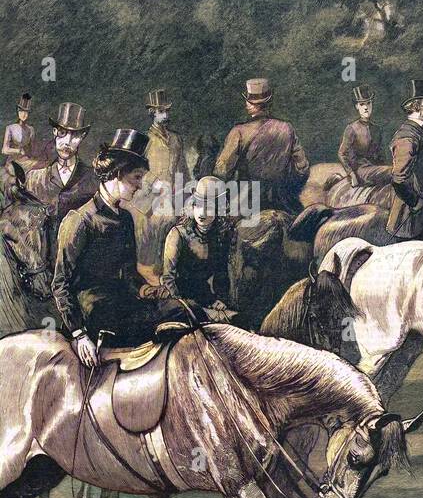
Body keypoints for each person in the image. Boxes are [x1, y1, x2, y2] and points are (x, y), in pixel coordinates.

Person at [52, 129, 192, 365]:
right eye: (136, 178)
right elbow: (60, 283)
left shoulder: (126, 218)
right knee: (172, 321)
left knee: (185, 310)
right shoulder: (81, 220)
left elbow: (128, 274)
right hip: (96, 313)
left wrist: (147, 289)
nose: (139, 186)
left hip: (125, 303)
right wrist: (78, 333)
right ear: (116, 174)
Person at [213, 77, 310, 216]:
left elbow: (221, 172)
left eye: (247, 100)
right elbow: (303, 169)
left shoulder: (239, 132)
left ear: (251, 104)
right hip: (282, 204)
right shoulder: (287, 128)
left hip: (247, 205)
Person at [157, 175, 241, 326]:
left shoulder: (220, 239)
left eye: (208, 207)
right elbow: (168, 277)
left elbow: (221, 275)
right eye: (198, 205)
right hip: (175, 301)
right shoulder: (178, 234)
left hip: (205, 298)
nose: (201, 213)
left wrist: (219, 300)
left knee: (236, 320)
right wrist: (184, 304)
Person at [387, 78, 423, 240]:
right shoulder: (407, 136)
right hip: (410, 223)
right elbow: (399, 179)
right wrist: (415, 202)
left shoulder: (421, 132)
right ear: (420, 107)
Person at [27, 102, 97, 228]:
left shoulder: (93, 178)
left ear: (82, 137)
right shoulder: (34, 179)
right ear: (54, 132)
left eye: (75, 135)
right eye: (62, 133)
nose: (67, 142)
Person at [338, 84, 389, 188]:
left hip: (375, 170)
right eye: (362, 104)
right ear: (357, 106)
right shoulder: (351, 128)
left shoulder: (377, 129)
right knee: (393, 172)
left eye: (368, 103)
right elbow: (342, 154)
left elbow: (381, 155)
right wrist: (352, 174)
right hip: (361, 172)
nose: (366, 107)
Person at [2, 93, 35, 166]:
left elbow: (31, 151)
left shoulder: (31, 129)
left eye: (26, 112)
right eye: (21, 111)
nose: (23, 114)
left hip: (25, 161)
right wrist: (18, 151)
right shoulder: (10, 128)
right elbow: (4, 150)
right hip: (12, 162)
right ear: (18, 111)